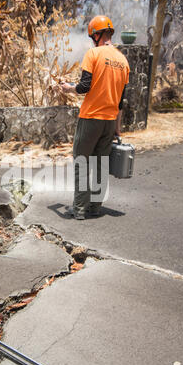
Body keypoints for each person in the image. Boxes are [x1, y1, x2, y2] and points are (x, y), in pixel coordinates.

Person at [60, 15, 130, 220]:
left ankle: (80, 209)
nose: (93, 40)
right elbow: (120, 102)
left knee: (81, 162)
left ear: (97, 35)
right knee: (101, 164)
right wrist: (117, 128)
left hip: (91, 118)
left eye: (93, 36)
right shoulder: (123, 61)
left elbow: (84, 87)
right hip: (109, 121)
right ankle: (95, 207)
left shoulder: (93, 54)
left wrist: (68, 89)